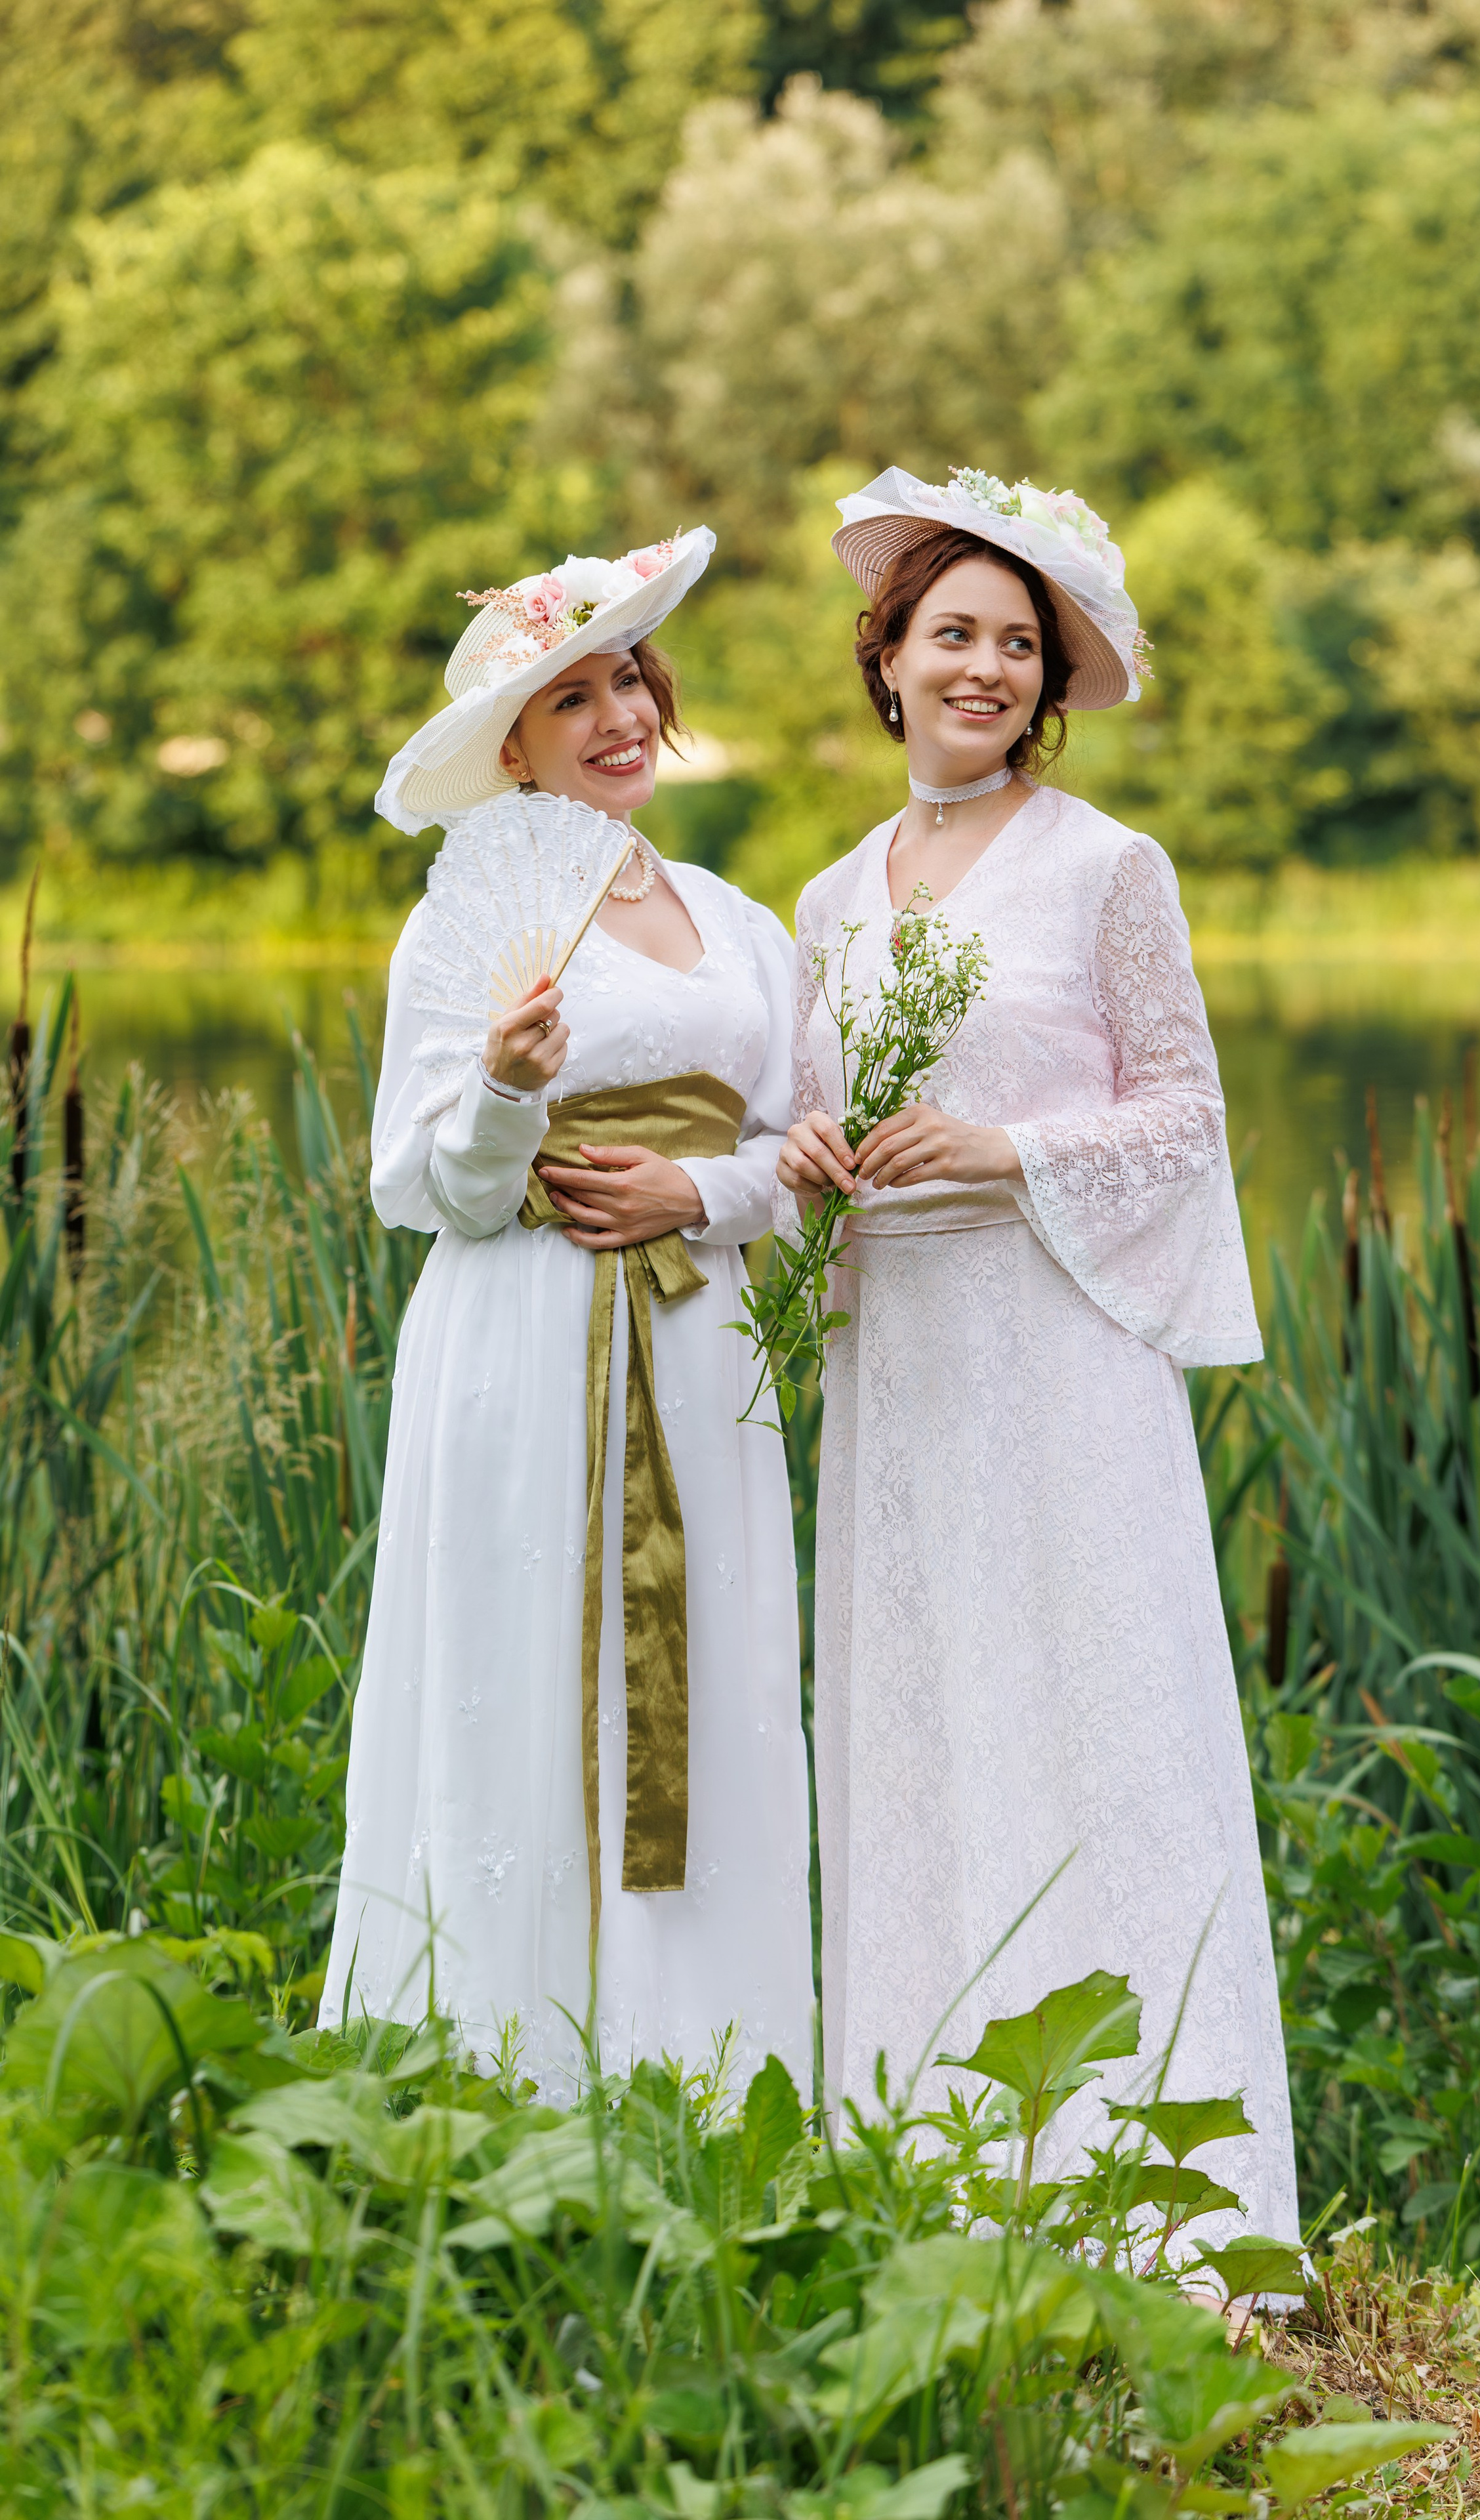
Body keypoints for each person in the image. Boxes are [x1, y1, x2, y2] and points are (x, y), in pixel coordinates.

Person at [776, 467, 1298, 2246]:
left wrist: (1009, 1153)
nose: (983, 666)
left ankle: (1167, 2202)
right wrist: (813, 1160)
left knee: (1094, 1715)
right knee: (927, 1725)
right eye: (953, 635)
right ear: (891, 662)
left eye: (1017, 643)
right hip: (901, 1373)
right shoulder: (829, 901)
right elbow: (805, 1122)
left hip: (1061, 1354)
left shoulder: (1107, 869)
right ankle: (942, 2181)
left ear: (1048, 684)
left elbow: (1188, 1114)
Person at [321, 530, 814, 2095]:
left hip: (697, 1346)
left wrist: (705, 1199)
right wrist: (506, 1099)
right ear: (514, 749)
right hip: (521, 1345)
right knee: (522, 1678)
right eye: (568, 698)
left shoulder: (740, 924)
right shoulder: (464, 922)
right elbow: (426, 1189)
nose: (613, 718)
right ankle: (503, 2078)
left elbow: (801, 1159)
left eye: (626, 682)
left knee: (712, 1685)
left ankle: (709, 2080)